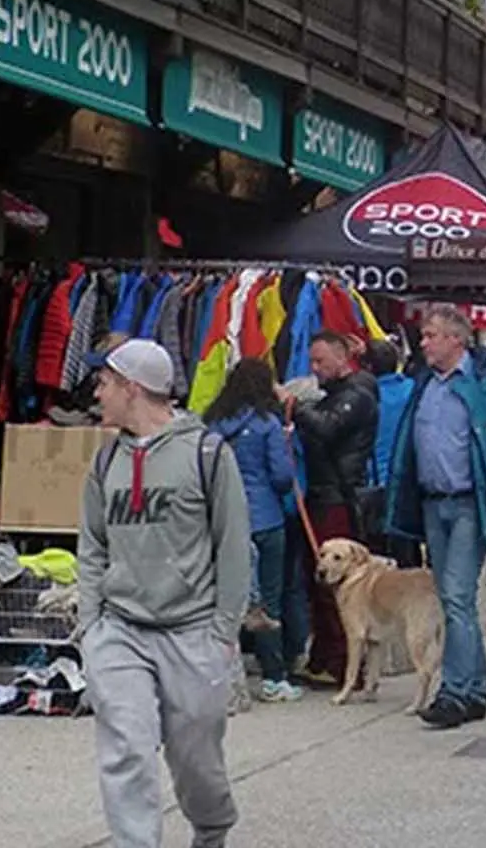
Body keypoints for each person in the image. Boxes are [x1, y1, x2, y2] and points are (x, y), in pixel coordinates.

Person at [75, 339, 249, 848]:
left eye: (104, 383)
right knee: (126, 749)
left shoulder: (207, 454)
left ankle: (212, 829)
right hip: (120, 630)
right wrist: (91, 625)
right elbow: (93, 545)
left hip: (192, 633)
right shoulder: (105, 461)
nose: (96, 393)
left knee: (198, 765)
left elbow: (234, 546)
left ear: (133, 388)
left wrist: (223, 632)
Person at [383, 307, 486, 729]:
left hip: (470, 501)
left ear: (457, 340)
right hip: (434, 502)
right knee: (456, 598)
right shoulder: (425, 384)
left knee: (454, 596)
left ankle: (454, 692)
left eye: (431, 334)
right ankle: (474, 690)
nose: (423, 342)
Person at [279, 331, 378, 687]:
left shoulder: (358, 395)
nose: (315, 369)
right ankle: (324, 656)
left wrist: (295, 404)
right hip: (320, 493)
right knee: (315, 580)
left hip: (336, 496)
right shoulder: (334, 394)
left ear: (342, 358)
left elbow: (328, 428)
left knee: (335, 584)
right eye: (312, 362)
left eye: (321, 361)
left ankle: (342, 662)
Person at [204, 359, 302, 703]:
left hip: (223, 520)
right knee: (268, 601)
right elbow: (281, 476)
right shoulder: (267, 424)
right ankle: (274, 677)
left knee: (226, 599)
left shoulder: (212, 423)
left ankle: (222, 673)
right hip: (265, 518)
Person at [365, 338, 417, 565]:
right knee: (408, 551)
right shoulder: (413, 389)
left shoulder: (367, 396)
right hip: (408, 480)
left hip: (374, 483)